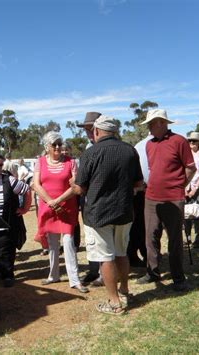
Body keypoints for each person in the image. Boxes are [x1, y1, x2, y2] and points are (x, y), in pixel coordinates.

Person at [73, 115, 143, 315]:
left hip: (98, 215)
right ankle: (124, 290)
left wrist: (73, 184)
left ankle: (114, 303)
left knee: (105, 258)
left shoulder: (91, 153)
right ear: (115, 131)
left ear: (96, 131)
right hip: (124, 211)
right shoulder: (130, 150)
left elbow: (79, 188)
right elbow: (139, 183)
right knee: (121, 253)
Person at [137, 109, 195, 291]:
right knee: (150, 237)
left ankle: (178, 277)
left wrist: (180, 185)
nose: (148, 127)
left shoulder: (179, 141)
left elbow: (191, 168)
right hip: (151, 198)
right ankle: (152, 272)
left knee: (174, 239)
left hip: (173, 198)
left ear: (161, 122)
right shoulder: (149, 144)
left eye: (151, 123)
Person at [32, 131, 88, 293]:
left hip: (66, 208)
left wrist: (58, 201)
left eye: (59, 144)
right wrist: (50, 201)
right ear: (47, 147)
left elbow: (75, 186)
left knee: (69, 242)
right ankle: (53, 275)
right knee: (52, 244)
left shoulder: (71, 162)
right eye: (53, 144)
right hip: (48, 208)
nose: (57, 147)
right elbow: (36, 184)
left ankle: (75, 279)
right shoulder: (40, 162)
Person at [77, 112, 102, 285]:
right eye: (86, 129)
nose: (87, 133)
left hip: (102, 201)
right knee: (91, 238)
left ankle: (104, 272)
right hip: (87, 201)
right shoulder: (88, 149)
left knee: (103, 240)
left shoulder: (109, 148)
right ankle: (94, 270)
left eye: (90, 129)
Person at [128, 135, 152, 267]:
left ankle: (146, 255)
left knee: (143, 226)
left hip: (145, 191)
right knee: (138, 226)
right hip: (138, 192)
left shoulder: (137, 146)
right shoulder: (138, 146)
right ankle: (134, 254)